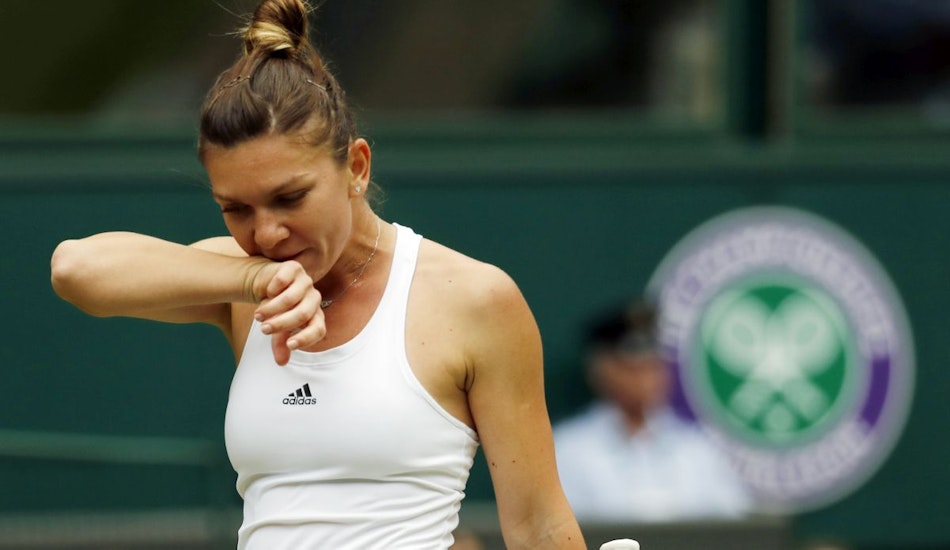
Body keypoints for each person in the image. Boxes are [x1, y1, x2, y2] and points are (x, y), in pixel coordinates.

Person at [49, 1, 585, 548]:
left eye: (290, 197)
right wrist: (252, 281)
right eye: (236, 208)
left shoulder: (475, 298)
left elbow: (538, 523)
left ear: (356, 166)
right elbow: (75, 269)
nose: (267, 235)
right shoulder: (241, 281)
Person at [554, 300, 750, 524]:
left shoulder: (697, 449)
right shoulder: (567, 450)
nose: (645, 379)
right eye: (632, 368)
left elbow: (736, 530)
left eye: (653, 366)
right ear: (602, 370)